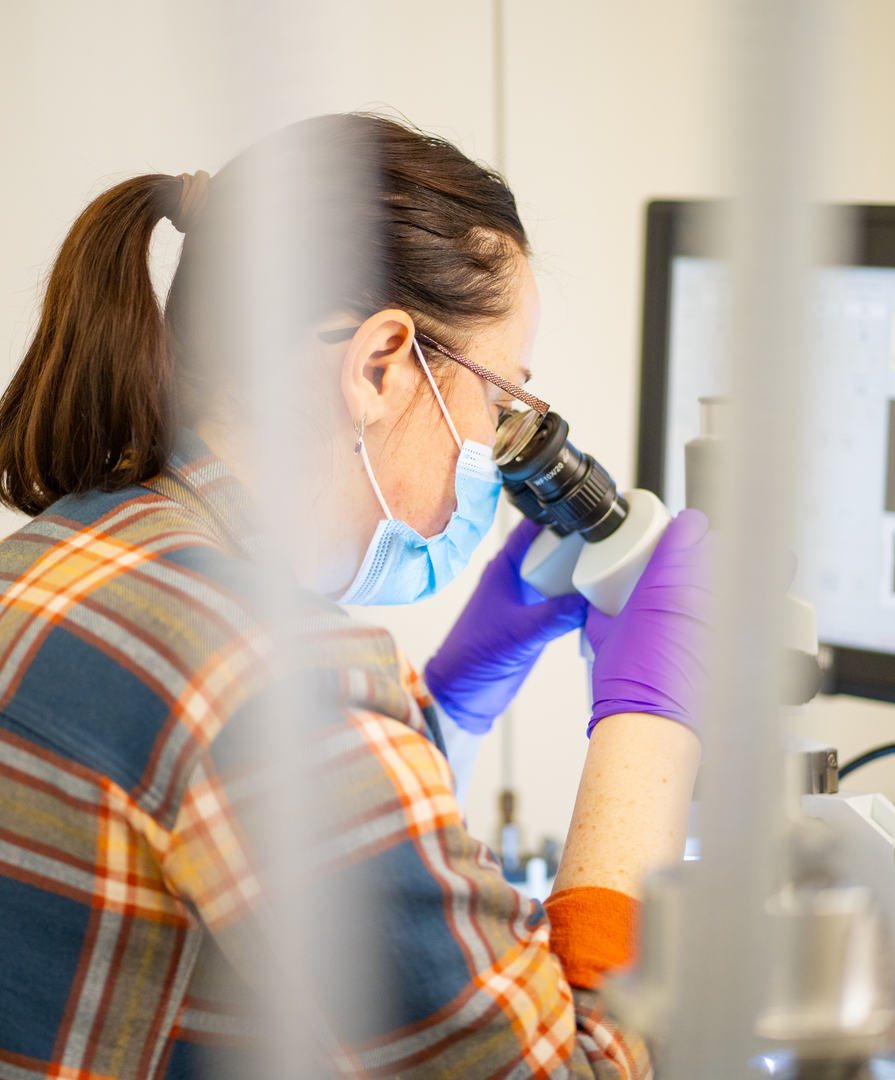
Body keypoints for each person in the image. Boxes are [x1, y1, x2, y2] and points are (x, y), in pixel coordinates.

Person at [0, 113, 709, 1079]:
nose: (495, 457)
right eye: (499, 405)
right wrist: (648, 732)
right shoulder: (279, 676)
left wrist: (451, 701)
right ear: (379, 365)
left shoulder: (73, 547)